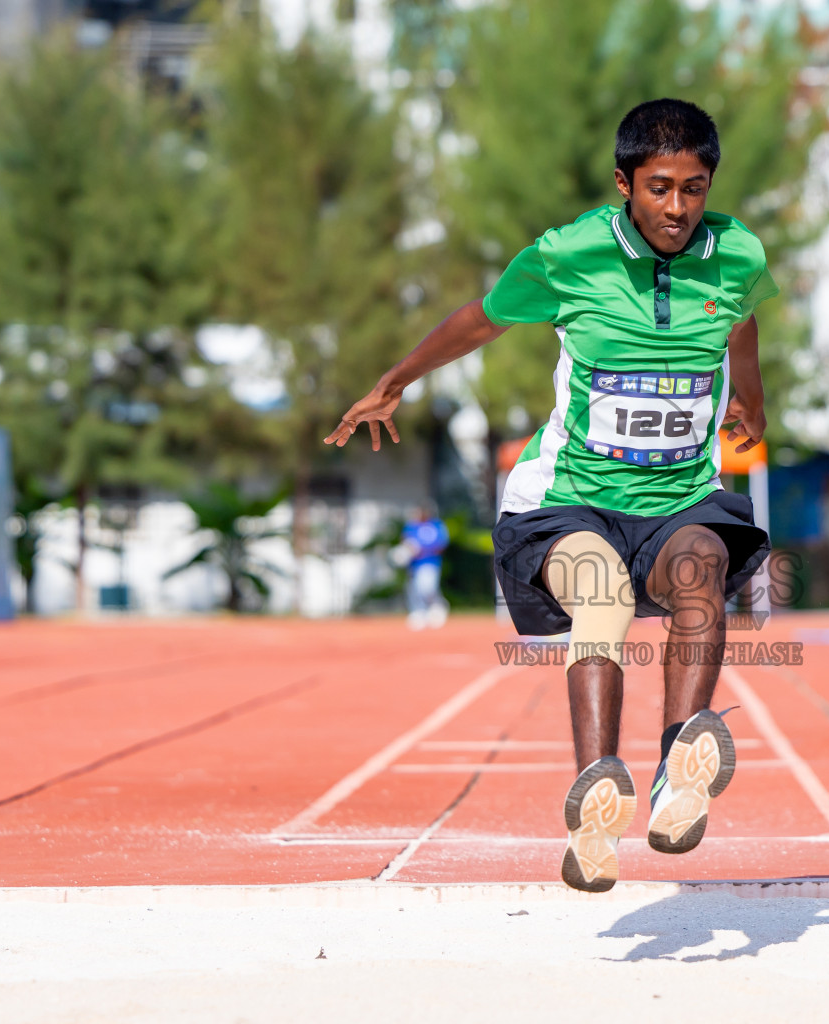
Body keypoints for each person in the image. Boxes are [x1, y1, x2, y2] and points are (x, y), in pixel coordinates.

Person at [326, 99, 774, 893]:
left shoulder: (736, 252)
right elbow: (480, 320)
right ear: (623, 184)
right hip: (566, 498)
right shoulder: (568, 255)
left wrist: (754, 399)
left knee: (705, 566)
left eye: (695, 188)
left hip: (677, 500)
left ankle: (678, 773)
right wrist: (395, 381)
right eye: (660, 187)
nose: (677, 208)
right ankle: (596, 795)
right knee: (599, 599)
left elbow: (740, 321)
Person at [394, 503, 449, 629]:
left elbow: (441, 544)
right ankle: (418, 612)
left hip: (430, 563)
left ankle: (437, 606)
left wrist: (422, 550)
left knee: (427, 588)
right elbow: (404, 541)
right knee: (414, 590)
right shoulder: (411, 527)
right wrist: (406, 551)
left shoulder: (436, 525)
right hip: (414, 565)